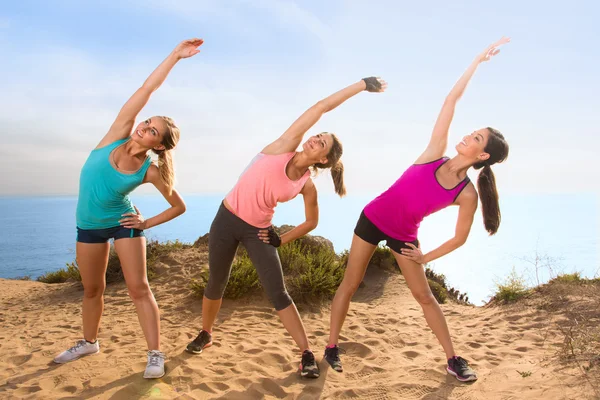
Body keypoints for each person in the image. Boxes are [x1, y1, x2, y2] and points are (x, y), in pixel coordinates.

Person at [325, 37, 511, 382]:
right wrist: (476, 62)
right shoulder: (434, 151)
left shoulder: (466, 193)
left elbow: (459, 239)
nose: (469, 136)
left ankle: (453, 359)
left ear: (482, 156)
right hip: (373, 217)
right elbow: (450, 101)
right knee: (350, 284)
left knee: (425, 297)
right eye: (473, 132)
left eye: (476, 139)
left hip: (403, 235)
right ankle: (332, 347)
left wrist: (426, 257)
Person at [186, 77, 387, 379]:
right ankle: (206, 333)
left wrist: (281, 239)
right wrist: (362, 85)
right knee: (216, 282)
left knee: (278, 292)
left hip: (259, 231)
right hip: (226, 219)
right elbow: (321, 107)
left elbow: (312, 222)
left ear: (323, 159)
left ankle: (306, 353)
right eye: (318, 135)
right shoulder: (284, 146)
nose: (315, 138)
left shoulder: (306, 185)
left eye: (322, 143)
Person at [53, 38, 204, 379]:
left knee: (139, 288)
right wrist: (175, 56)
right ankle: (89, 342)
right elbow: (146, 88)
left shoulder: (149, 170)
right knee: (92, 289)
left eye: (153, 131)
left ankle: (154, 354)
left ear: (159, 144)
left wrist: (145, 221)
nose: (144, 127)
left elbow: (178, 205)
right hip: (88, 225)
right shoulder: (117, 134)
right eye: (148, 122)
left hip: (124, 223)